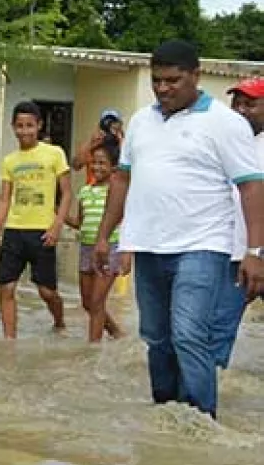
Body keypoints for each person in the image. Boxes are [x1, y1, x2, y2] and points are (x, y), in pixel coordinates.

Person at [94, 41, 264, 419]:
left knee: (189, 335)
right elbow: (122, 180)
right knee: (157, 339)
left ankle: (202, 420)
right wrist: (107, 236)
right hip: (149, 246)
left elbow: (251, 186)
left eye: (174, 80)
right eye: (157, 81)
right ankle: (167, 415)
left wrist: (254, 252)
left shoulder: (225, 122)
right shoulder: (140, 121)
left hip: (203, 245)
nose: (163, 88)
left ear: (196, 76)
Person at [0, 102, 72, 339]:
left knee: (47, 291)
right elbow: (4, 200)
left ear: (39, 126)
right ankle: (9, 340)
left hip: (42, 231)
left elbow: (66, 193)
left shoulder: (54, 153)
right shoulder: (10, 161)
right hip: (14, 230)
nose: (25, 131)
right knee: (6, 287)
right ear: (13, 127)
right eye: (20, 126)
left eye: (30, 126)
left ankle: (59, 321)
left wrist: (57, 226)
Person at [210, 76, 264, 370]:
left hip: (256, 251)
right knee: (218, 330)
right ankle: (206, 401)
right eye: (237, 103)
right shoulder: (222, 144)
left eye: (251, 103)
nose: (241, 110)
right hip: (233, 254)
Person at [64, 139, 127, 342]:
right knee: (87, 302)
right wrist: (58, 214)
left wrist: (128, 253)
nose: (96, 167)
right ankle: (116, 332)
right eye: (94, 162)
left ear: (113, 167)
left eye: (102, 163)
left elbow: (127, 222)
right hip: (86, 248)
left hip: (111, 248)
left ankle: (93, 347)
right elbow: (79, 223)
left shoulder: (117, 193)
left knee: (97, 300)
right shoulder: (85, 192)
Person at [71, 109, 124, 186]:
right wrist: (91, 142)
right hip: (93, 192)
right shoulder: (94, 144)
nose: (109, 126)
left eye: (113, 122)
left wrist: (120, 138)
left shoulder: (123, 144)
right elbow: (76, 165)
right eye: (106, 123)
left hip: (116, 190)